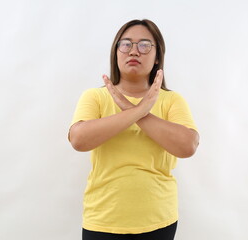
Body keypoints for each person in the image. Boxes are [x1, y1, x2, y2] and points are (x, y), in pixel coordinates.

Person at [68, 19, 199, 240]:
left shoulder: (171, 100)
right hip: (103, 220)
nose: (134, 51)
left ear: (157, 56)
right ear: (116, 52)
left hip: (159, 219)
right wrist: (139, 110)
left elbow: (188, 146)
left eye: (144, 45)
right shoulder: (95, 97)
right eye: (126, 44)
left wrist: (136, 110)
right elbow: (79, 140)